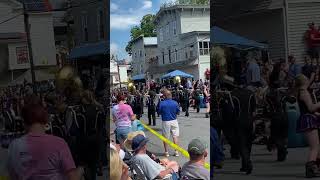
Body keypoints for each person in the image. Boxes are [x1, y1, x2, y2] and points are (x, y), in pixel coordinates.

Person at [7, 100, 82, 180]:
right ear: (46, 121)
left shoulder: (14, 146)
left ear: (24, 123)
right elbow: (73, 177)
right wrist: (80, 170)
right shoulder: (59, 143)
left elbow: (13, 176)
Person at [295, 75, 320, 178]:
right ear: (304, 81)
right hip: (308, 119)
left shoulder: (302, 91)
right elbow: (310, 108)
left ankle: (315, 167)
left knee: (317, 146)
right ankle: (310, 169)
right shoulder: (304, 92)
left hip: (309, 118)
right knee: (315, 147)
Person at [231, 83, 257, 174]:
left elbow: (232, 111)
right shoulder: (250, 93)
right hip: (249, 120)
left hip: (239, 121)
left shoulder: (233, 94)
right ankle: (245, 164)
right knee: (248, 143)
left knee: (242, 144)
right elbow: (254, 110)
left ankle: (247, 162)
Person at [158, 90, 180, 157]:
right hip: (174, 120)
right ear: (170, 96)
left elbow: (159, 112)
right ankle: (176, 151)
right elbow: (178, 112)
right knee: (175, 136)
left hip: (166, 121)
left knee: (165, 137)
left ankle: (166, 152)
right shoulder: (175, 103)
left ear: (164, 96)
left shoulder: (162, 103)